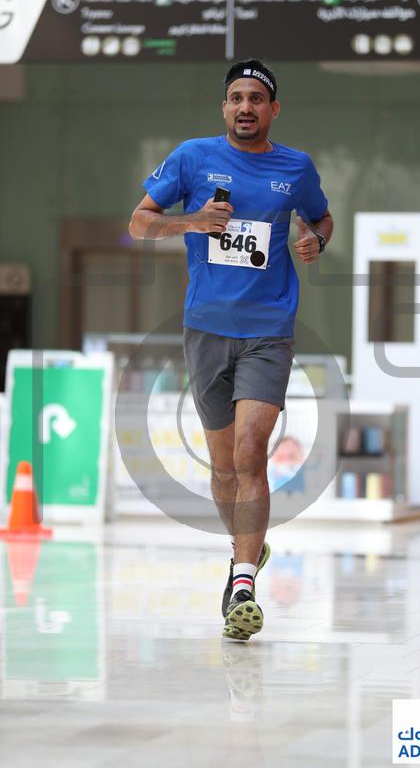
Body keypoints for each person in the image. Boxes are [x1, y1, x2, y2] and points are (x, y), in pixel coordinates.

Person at [129, 58, 333, 640]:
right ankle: (245, 549)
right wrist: (192, 222)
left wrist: (315, 240)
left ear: (273, 110)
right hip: (206, 329)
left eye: (257, 99)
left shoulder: (295, 167)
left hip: (269, 328)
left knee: (249, 453)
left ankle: (243, 584)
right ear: (225, 107)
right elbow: (139, 223)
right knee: (223, 468)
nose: (246, 107)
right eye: (237, 97)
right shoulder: (192, 157)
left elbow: (321, 218)